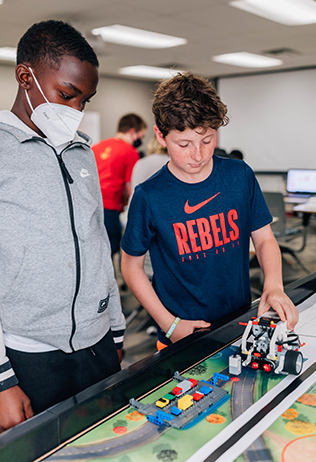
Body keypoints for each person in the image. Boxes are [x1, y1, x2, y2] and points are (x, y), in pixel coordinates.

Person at [0, 20, 125, 430]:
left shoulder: (81, 152)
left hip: (98, 343)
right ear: (26, 77)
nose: (75, 112)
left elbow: (96, 243)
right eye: (66, 95)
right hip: (29, 354)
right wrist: (3, 380)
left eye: (84, 101)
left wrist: (117, 332)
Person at [121, 72, 299, 351]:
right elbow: (131, 267)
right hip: (180, 332)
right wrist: (169, 325)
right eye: (184, 144)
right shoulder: (149, 195)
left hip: (239, 323)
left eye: (207, 140)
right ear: (161, 136)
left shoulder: (239, 176)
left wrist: (274, 284)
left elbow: (264, 239)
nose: (198, 154)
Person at [92, 114, 147, 257]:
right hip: (110, 208)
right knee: (111, 248)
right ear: (133, 132)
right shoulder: (130, 152)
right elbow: (131, 188)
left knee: (96, 250)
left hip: (91, 206)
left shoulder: (97, 147)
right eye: (141, 136)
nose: (140, 140)